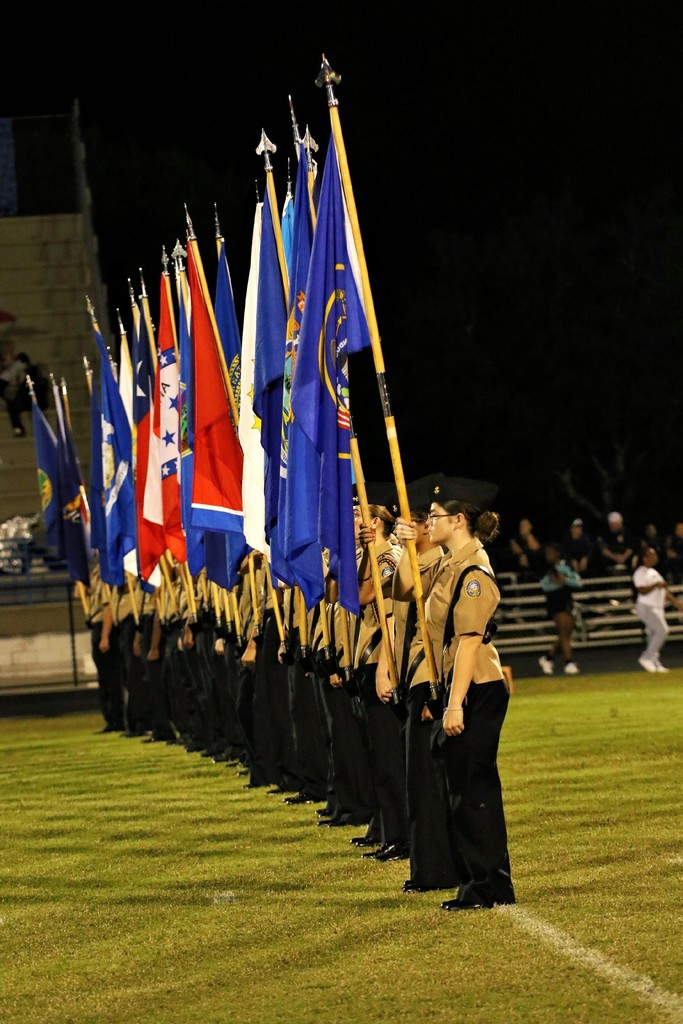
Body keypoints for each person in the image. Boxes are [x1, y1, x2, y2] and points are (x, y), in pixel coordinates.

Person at [393, 475, 515, 912]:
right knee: (461, 788)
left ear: (458, 519)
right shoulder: (446, 562)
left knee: (474, 789)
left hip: (476, 688)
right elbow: (404, 588)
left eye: (434, 516)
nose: (428, 521)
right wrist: (404, 543)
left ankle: (490, 884)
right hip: (462, 687)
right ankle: (480, 880)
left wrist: (454, 703)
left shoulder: (473, 570)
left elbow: (468, 642)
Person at [632, 545, 683, 672]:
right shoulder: (640, 572)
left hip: (657, 606)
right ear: (644, 558)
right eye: (652, 554)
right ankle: (647, 657)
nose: (655, 557)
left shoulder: (654, 572)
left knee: (653, 633)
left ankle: (654, 661)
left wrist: (676, 603)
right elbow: (642, 590)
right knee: (662, 630)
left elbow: (664, 591)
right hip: (646, 606)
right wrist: (656, 584)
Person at [537, 543, 583, 676]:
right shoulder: (546, 569)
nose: (548, 556)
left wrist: (566, 580)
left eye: (550, 553)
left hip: (567, 602)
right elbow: (544, 586)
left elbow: (579, 582)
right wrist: (556, 584)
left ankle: (547, 657)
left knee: (565, 633)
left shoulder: (565, 567)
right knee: (564, 632)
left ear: (557, 553)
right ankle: (568, 662)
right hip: (555, 603)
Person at [596, 511, 636, 575]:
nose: (618, 525)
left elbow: (631, 547)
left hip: (626, 563)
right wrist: (615, 558)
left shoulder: (626, 532)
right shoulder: (604, 533)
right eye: (615, 524)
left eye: (618, 523)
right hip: (609, 564)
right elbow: (603, 549)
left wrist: (623, 557)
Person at [508, 517, 544, 581]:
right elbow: (516, 551)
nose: (523, 527)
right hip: (519, 563)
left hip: (534, 563)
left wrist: (528, 535)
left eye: (526, 525)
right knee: (522, 558)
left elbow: (535, 548)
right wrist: (524, 555)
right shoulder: (514, 538)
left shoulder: (535, 537)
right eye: (522, 525)